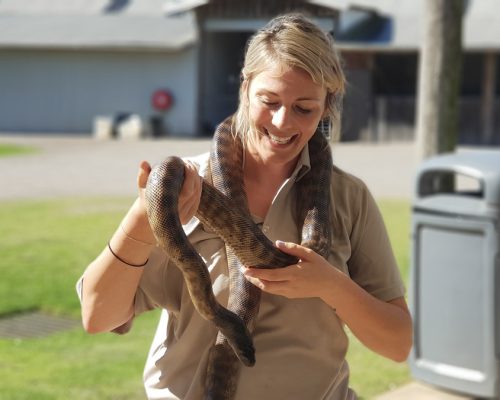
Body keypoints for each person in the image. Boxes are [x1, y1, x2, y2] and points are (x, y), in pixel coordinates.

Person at [77, 13, 412, 400]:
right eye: (269, 101)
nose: (283, 122)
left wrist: (331, 286)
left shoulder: (348, 198)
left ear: (327, 104)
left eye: (304, 108)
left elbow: (398, 344)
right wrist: (142, 220)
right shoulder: (187, 186)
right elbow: (98, 317)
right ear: (246, 86)